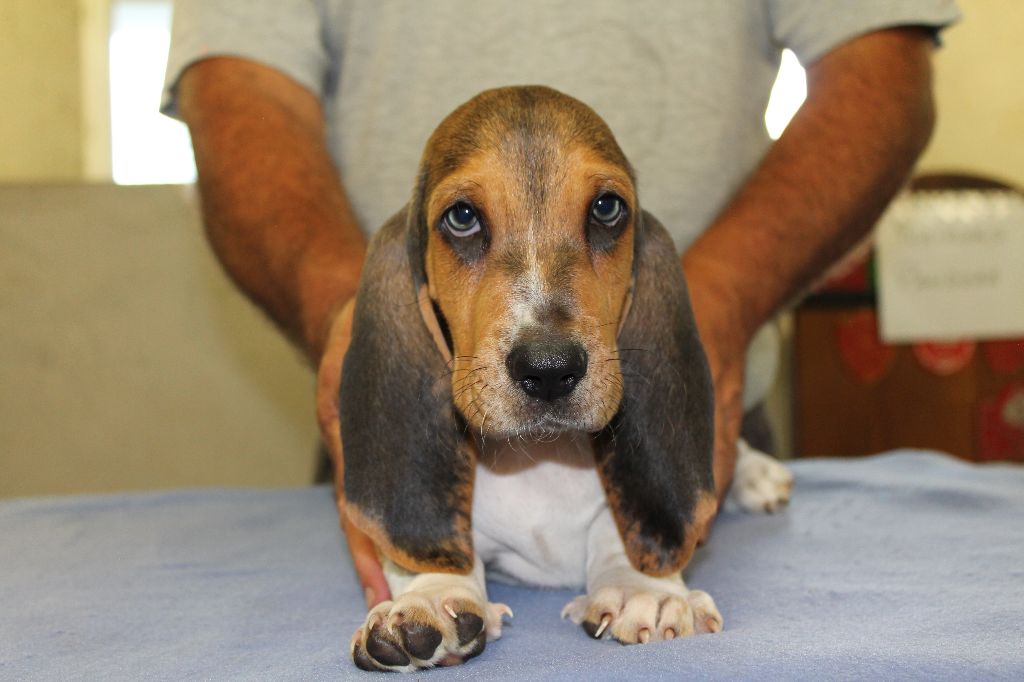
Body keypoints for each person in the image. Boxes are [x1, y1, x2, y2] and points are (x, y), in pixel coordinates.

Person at [162, 1, 959, 609]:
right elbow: (237, 85)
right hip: (401, 408)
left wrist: (718, 301)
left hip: (691, 390)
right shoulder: (395, 321)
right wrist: (352, 318)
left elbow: (880, 56)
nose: (544, 341)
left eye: (604, 213)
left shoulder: (657, 311)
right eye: (464, 220)